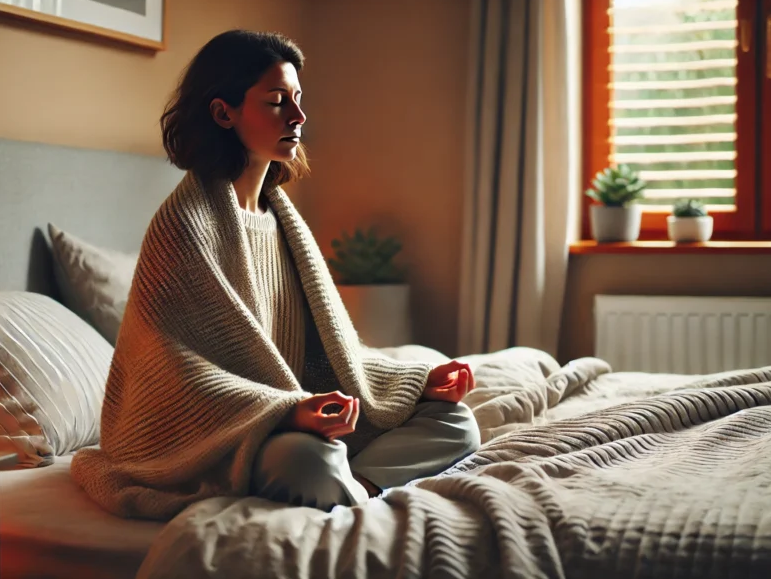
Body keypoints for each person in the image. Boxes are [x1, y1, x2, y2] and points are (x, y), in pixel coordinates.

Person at [71, 29, 481, 521]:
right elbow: (174, 371)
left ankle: (361, 488)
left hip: (294, 415)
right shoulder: (184, 225)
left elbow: (328, 349)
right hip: (229, 432)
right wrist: (286, 412)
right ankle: (347, 485)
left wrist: (414, 382)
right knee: (307, 459)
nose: (298, 117)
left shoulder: (281, 217)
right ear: (225, 113)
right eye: (276, 102)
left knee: (456, 422)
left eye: (298, 99)